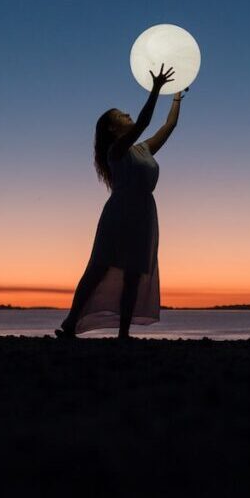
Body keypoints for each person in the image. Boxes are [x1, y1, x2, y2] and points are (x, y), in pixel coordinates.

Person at [55, 63, 187, 340]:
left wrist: (175, 97)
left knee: (134, 274)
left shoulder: (143, 149)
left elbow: (169, 125)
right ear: (113, 129)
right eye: (121, 115)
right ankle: (70, 322)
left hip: (144, 213)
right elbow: (143, 122)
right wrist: (155, 89)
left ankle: (124, 333)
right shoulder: (116, 150)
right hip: (120, 212)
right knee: (99, 266)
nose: (127, 114)